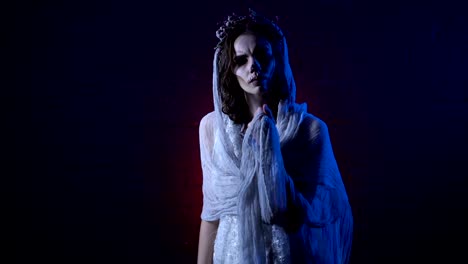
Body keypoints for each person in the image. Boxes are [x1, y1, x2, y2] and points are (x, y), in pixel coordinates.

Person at [197, 9, 353, 264]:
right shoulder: (213, 129)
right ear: (229, 68)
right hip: (231, 255)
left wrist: (269, 148)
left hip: (287, 255)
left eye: (261, 55)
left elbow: (319, 213)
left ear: (277, 60)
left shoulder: (310, 131)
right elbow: (212, 213)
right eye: (240, 60)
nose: (253, 67)